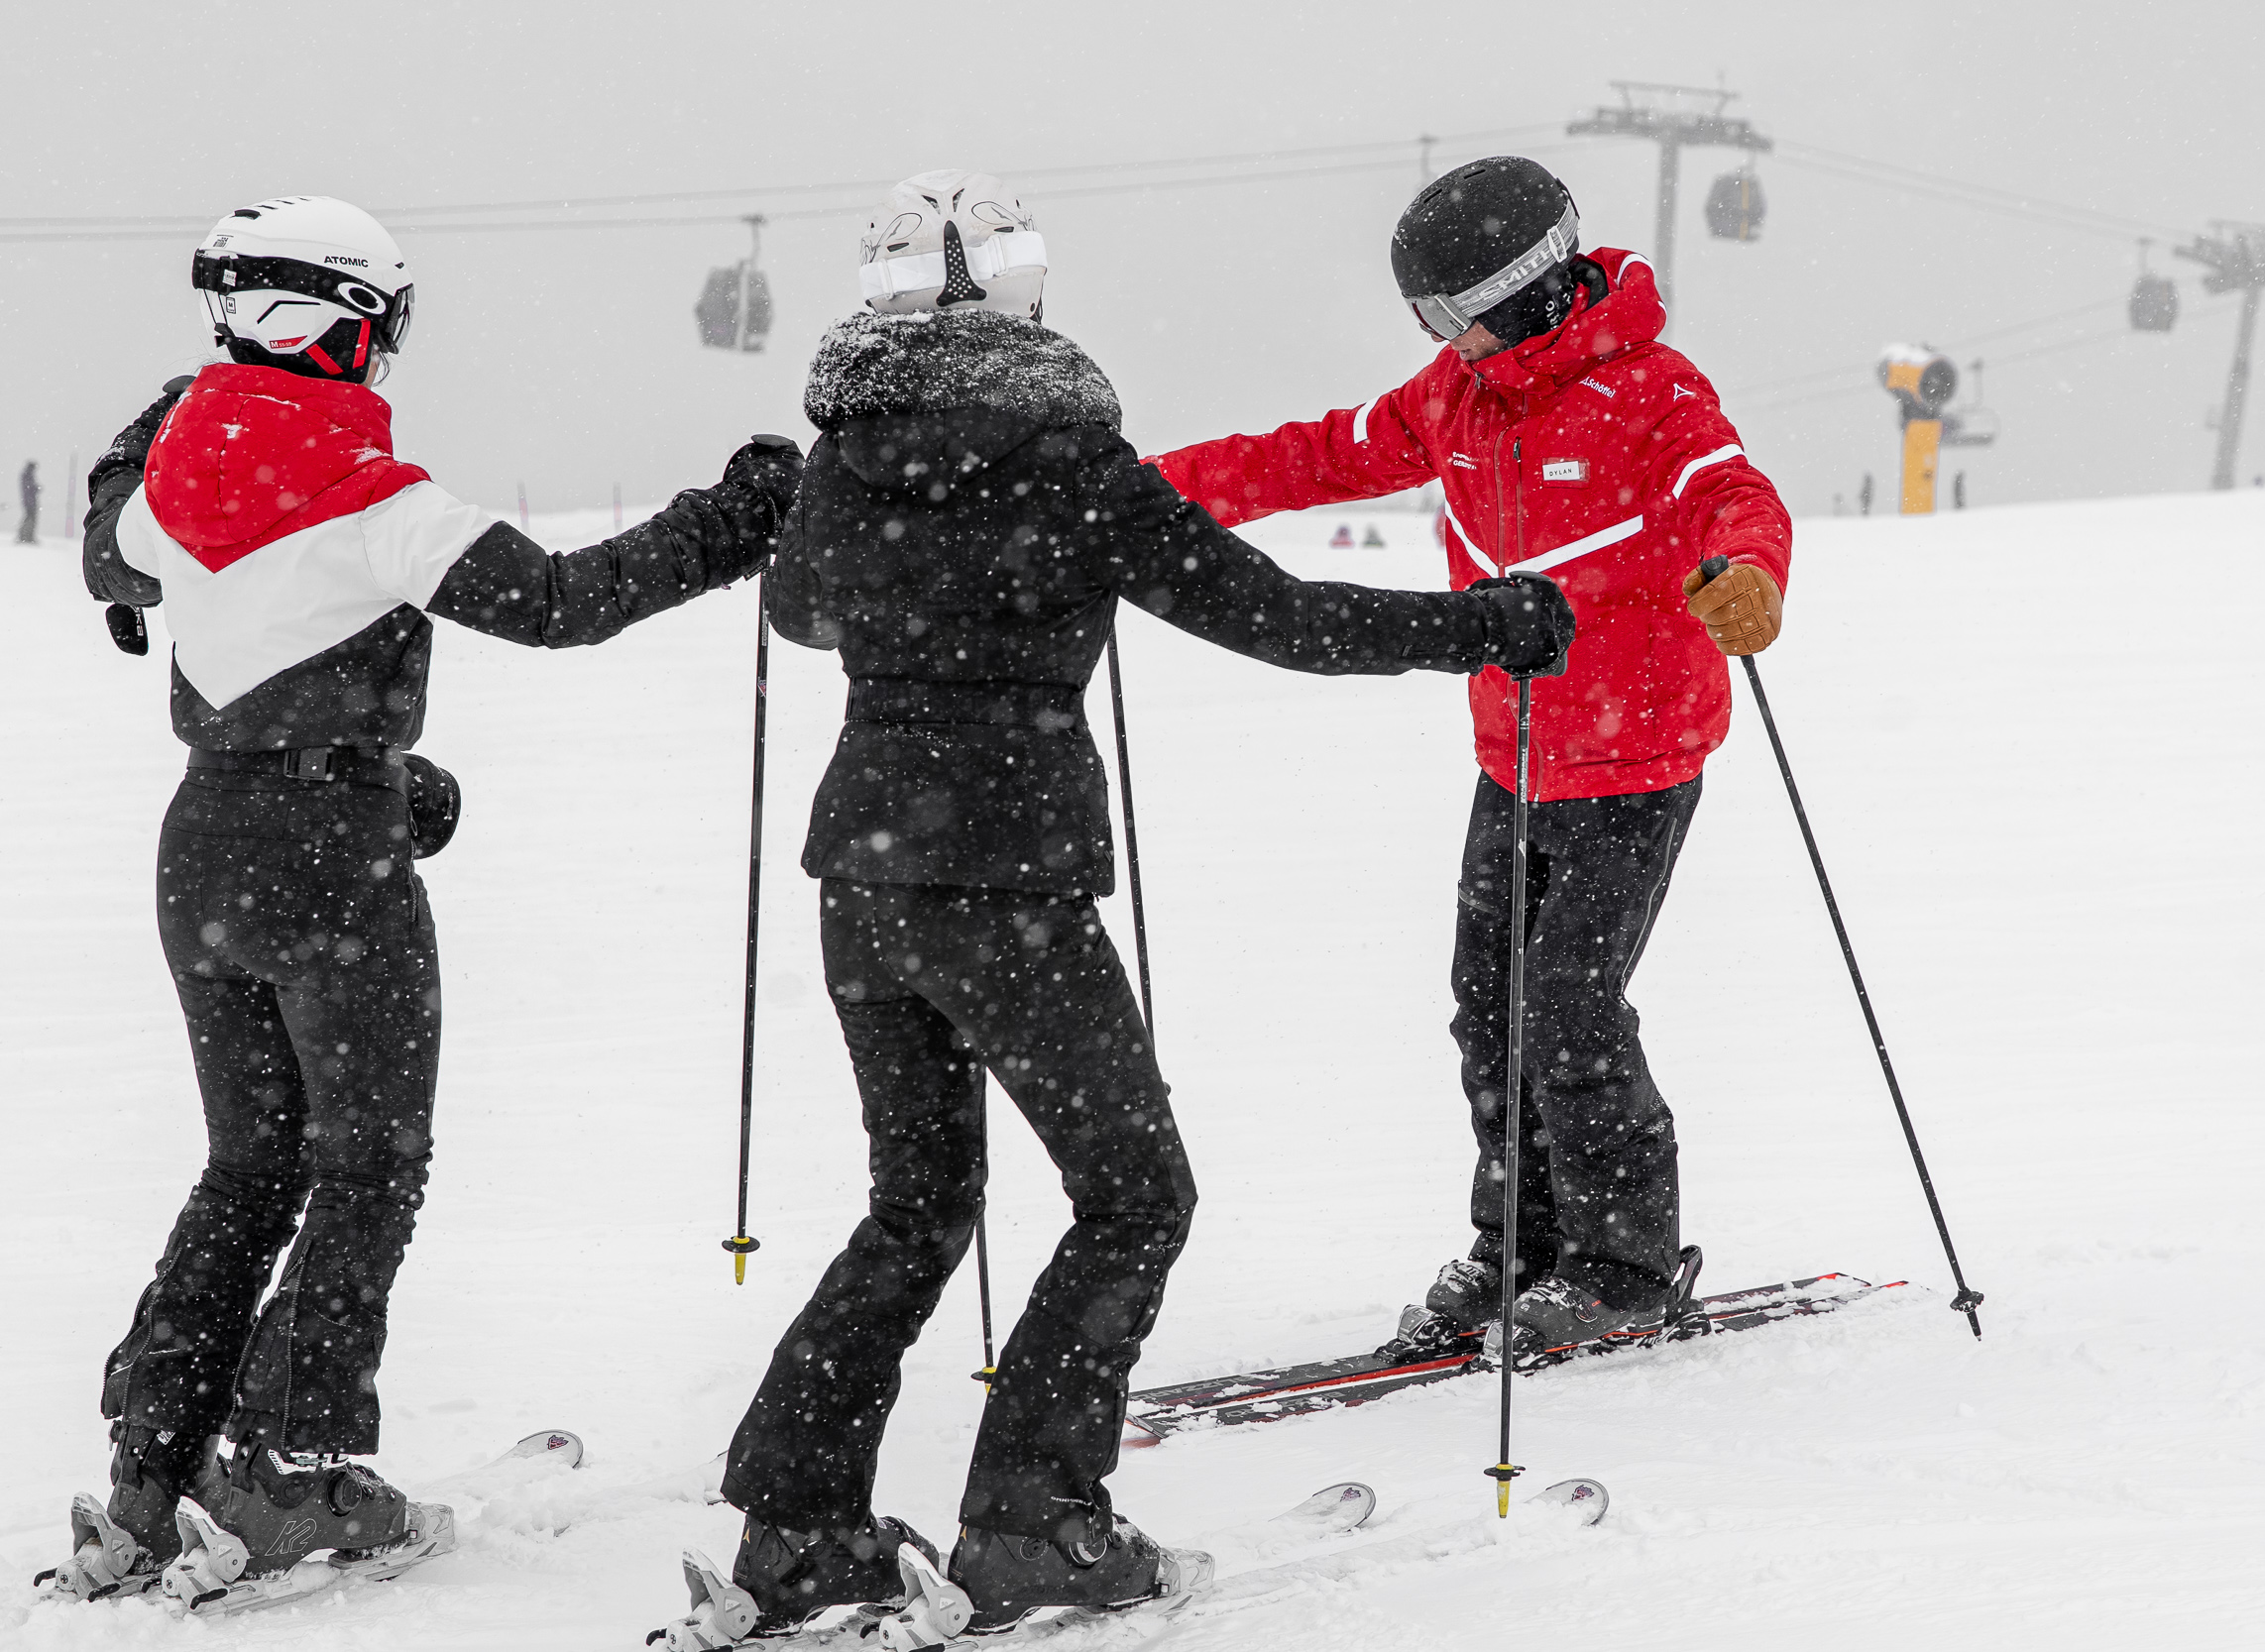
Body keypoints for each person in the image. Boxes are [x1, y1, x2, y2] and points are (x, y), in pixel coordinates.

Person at [652, 168, 1572, 1652]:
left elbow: (802, 611)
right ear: (1025, 295)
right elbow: (1287, 618)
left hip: (867, 882)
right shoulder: (1076, 462)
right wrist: (1486, 624)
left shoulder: (845, 461)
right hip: (1006, 883)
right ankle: (1031, 1523)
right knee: (1137, 1191)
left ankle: (796, 1528)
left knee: (917, 1201)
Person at [42, 194, 798, 1606]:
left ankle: (154, 1473)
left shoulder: (166, 490)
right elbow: (570, 598)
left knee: (248, 1167)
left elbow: (114, 548)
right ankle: (283, 1468)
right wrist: (737, 515)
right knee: (369, 1162)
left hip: (203, 846)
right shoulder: (377, 499)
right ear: (344, 325)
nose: (389, 360)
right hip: (330, 864)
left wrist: (384, 767)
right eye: (385, 329)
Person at [1146, 157, 1793, 1366]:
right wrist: (1131, 497)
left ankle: (1623, 1264)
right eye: (1426, 322)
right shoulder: (1455, 398)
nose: (1444, 341)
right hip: (1515, 752)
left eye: (1455, 314)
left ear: (1534, 288)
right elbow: (1311, 456)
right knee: (1486, 1005)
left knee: (1569, 1005)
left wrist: (1748, 573)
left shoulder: (1651, 392)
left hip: (1637, 759)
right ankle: (1520, 1246)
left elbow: (1732, 493)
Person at [18, 459, 39, 543]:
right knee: (30, 519)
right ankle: (26, 537)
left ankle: (25, 536)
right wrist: (36, 488)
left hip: (28, 501)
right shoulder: (28, 475)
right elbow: (29, 488)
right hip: (30, 501)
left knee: (28, 518)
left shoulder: (26, 475)